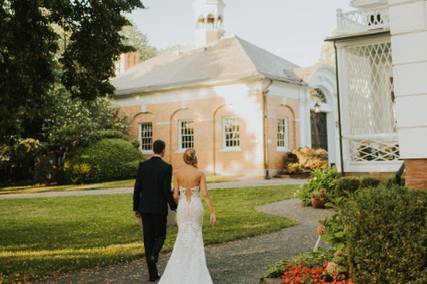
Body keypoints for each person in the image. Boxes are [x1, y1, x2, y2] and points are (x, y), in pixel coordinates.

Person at [159, 148, 216, 284]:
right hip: (196, 206)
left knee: (182, 236)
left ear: (184, 159)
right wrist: (212, 211)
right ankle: (197, 273)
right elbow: (205, 194)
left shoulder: (178, 174)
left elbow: (175, 195)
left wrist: (180, 204)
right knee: (196, 236)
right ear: (195, 158)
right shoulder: (200, 173)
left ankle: (179, 270)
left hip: (183, 207)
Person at [133, 140, 177, 282]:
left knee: (148, 239)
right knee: (160, 236)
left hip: (145, 208)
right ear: (163, 150)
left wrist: (136, 207)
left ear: (153, 149)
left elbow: (137, 189)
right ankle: (154, 255)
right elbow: (166, 190)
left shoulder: (143, 166)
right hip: (159, 209)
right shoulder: (166, 167)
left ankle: (152, 274)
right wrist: (173, 205)